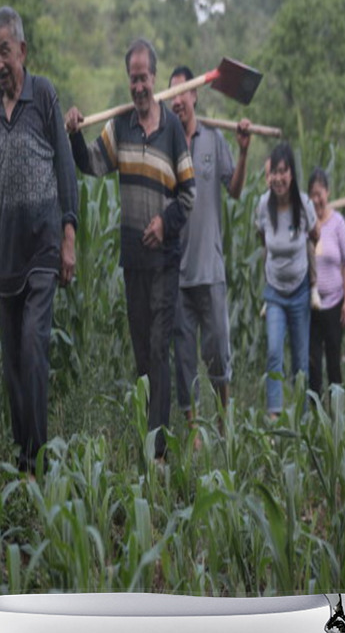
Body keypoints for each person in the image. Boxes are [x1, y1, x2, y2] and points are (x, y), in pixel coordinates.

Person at [0, 6, 79, 476]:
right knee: (12, 364)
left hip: (44, 245)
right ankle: (24, 456)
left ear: (22, 51)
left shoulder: (44, 95)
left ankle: (40, 461)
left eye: (4, 52)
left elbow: (66, 169)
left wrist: (69, 233)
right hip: (6, 254)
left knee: (33, 347)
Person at [64, 39, 195, 461]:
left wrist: (165, 221)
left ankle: (158, 452)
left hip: (165, 261)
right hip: (133, 259)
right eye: (132, 78)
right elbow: (90, 165)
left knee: (159, 347)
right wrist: (73, 134)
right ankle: (150, 434)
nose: (138, 85)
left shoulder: (173, 130)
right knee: (142, 350)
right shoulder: (119, 126)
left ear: (154, 79)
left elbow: (189, 194)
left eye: (143, 77)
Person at [169, 65, 250, 431]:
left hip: (210, 270)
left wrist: (244, 152)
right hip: (178, 274)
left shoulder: (213, 140)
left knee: (218, 352)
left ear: (195, 95)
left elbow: (234, 190)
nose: (176, 100)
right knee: (184, 359)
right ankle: (193, 434)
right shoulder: (165, 144)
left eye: (182, 92)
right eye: (170, 95)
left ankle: (222, 423)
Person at [255, 143, 318, 417]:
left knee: (301, 361)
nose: (278, 178)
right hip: (274, 293)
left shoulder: (304, 205)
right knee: (273, 351)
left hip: (301, 291)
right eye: (274, 173)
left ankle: (303, 418)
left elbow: (315, 236)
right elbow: (263, 240)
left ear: (291, 174)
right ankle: (274, 415)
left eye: (284, 172)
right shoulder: (262, 206)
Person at [307, 168, 345, 398]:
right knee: (313, 364)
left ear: (328, 192)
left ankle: (336, 418)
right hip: (312, 305)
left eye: (320, 193)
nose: (317, 199)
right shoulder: (306, 222)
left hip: (335, 304)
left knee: (334, 364)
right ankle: (315, 419)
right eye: (312, 195)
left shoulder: (338, 223)